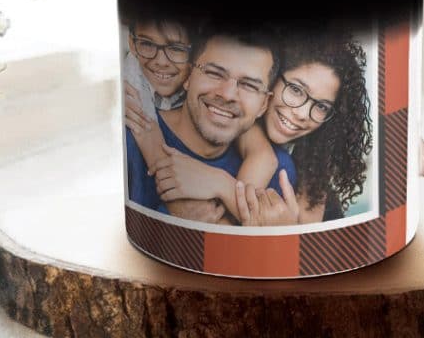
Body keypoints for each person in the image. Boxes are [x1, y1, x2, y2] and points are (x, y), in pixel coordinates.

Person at [149, 32, 372, 226]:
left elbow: (306, 238)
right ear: (271, 80)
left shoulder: (306, 170)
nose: (303, 113)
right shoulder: (235, 128)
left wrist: (222, 186)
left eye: (321, 106)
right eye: (295, 89)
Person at [124, 28, 294, 224]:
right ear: (187, 76)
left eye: (249, 85)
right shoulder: (129, 140)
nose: (228, 94)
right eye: (214, 73)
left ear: (264, 104)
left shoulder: (279, 173)